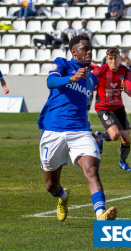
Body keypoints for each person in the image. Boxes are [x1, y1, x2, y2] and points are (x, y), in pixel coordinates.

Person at [37, 34, 118, 221]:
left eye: (91, 49)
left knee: (91, 170)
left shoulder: (92, 79)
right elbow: (50, 82)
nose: (89, 52)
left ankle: (100, 215)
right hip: (53, 130)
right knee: (51, 185)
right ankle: (63, 196)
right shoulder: (62, 64)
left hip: (80, 131)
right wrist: (71, 78)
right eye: (85, 49)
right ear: (74, 52)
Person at [93, 48, 131, 171]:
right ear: (107, 59)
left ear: (120, 58)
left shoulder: (125, 71)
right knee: (115, 135)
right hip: (103, 108)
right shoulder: (99, 71)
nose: (113, 61)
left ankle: (122, 162)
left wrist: (127, 90)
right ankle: (99, 137)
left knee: (126, 140)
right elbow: (88, 84)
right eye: (110, 59)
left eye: (115, 58)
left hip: (118, 108)